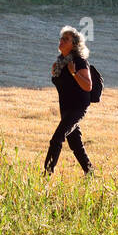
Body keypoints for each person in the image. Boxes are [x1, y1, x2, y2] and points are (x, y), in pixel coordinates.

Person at [44, 25, 94, 176]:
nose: (61, 41)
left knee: (56, 139)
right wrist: (56, 73)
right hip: (65, 108)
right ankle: (90, 172)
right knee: (75, 143)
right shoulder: (60, 63)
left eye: (66, 39)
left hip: (77, 107)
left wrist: (74, 73)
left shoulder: (79, 62)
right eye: (61, 38)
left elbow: (88, 86)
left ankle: (47, 174)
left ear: (74, 45)